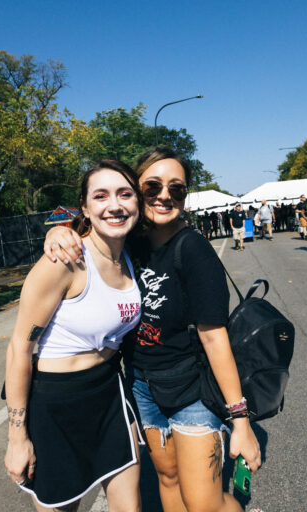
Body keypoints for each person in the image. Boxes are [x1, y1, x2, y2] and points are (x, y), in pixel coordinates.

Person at [44, 147, 261, 512]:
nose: (164, 196)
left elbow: (214, 336)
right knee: (169, 478)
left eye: (176, 189)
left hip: (190, 388)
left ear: (185, 196)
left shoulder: (193, 249)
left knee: (205, 505)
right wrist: (56, 233)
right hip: (142, 386)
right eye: (153, 187)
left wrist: (240, 420)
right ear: (136, 189)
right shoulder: (129, 242)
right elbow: (86, 233)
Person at [4, 160, 143, 511]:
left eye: (125, 194)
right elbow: (19, 348)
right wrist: (17, 437)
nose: (114, 205)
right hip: (56, 406)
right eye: (101, 196)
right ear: (84, 207)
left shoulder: (131, 254)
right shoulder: (64, 262)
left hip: (110, 393)